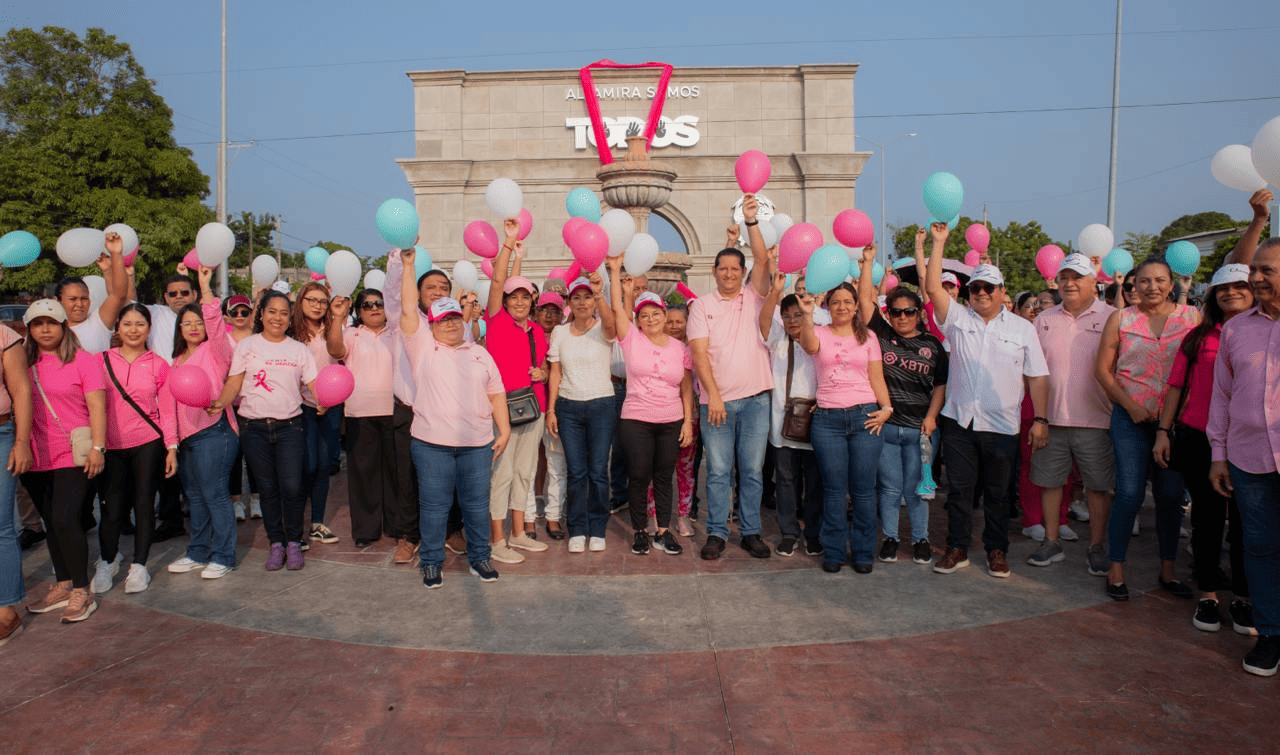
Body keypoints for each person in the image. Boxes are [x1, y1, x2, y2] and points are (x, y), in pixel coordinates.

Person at [923, 223, 1049, 578]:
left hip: (1002, 424)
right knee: (960, 492)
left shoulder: (1023, 329)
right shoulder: (958, 320)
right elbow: (933, 287)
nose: (980, 292)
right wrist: (939, 243)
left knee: (997, 495)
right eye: (975, 287)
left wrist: (1041, 420)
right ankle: (957, 547)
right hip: (960, 421)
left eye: (988, 287)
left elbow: (1037, 376)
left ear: (1001, 292)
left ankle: (996, 550)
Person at [399, 244, 509, 588]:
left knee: (477, 507)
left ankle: (480, 559)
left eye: (454, 319)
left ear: (463, 321)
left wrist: (503, 430)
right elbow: (405, 308)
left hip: (477, 445)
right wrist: (407, 266)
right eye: (442, 320)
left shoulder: (479, 353)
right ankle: (432, 562)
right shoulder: (423, 348)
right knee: (434, 508)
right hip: (432, 446)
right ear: (431, 324)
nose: (449, 325)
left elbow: (496, 392)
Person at [1154, 264, 1254, 634]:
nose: (1229, 293)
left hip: (1250, 442)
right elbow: (1176, 387)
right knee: (1207, 520)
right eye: (1221, 288)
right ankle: (1209, 594)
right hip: (1199, 438)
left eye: (1239, 285)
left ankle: (1243, 599)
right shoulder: (1198, 338)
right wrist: (1164, 431)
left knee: (1246, 523)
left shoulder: (1268, 334)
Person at [1094, 256, 1199, 601]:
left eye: (1159, 280)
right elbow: (1103, 372)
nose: (1152, 286)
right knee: (1129, 493)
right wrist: (1131, 406)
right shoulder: (1121, 319)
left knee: (1170, 496)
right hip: (1130, 417)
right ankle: (1116, 568)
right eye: (1144, 281)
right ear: (1133, 285)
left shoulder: (1191, 318)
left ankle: (1167, 569)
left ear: (1172, 284)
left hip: (1174, 422)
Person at [1209, 237, 1280, 677]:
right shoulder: (1237, 329)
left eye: (1266, 270)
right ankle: (1271, 633)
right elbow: (1222, 395)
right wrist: (1218, 454)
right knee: (1258, 546)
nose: (1254, 278)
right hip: (1248, 458)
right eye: (1254, 269)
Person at [688, 195, 774, 560]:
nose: (729, 274)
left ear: (742, 273)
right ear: (714, 272)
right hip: (717, 404)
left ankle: (751, 532)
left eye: (735, 269)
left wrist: (751, 224)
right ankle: (718, 533)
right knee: (719, 472)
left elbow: (763, 259)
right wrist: (714, 395)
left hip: (756, 400)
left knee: (752, 471)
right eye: (722, 268)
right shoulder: (701, 306)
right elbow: (698, 354)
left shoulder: (754, 297)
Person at [210, 289, 320, 572]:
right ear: (261, 314)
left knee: (293, 486)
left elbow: (313, 385)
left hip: (290, 427)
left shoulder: (299, 350)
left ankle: (294, 541)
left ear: (289, 318)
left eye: (284, 313)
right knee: (268, 488)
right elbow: (235, 382)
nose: (278, 318)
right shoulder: (247, 346)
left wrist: (323, 401)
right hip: (254, 427)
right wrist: (221, 401)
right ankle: (276, 543)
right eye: (272, 312)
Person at [796, 268, 893, 573]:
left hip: (865, 418)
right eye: (835, 302)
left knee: (864, 490)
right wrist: (808, 315)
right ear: (829, 306)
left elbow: (876, 376)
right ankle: (835, 551)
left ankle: (863, 552)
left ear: (854, 306)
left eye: (847, 302)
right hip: (828, 422)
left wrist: (887, 408)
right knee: (834, 490)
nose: (841, 306)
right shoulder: (819, 332)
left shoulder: (869, 336)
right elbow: (808, 346)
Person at [855, 248, 947, 566]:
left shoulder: (933, 346)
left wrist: (933, 417)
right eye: (896, 312)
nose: (903, 317)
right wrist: (867, 265)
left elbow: (940, 386)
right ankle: (891, 539)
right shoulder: (881, 334)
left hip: (921, 431)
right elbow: (865, 300)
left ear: (919, 312)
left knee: (918, 490)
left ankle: (921, 539)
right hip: (888, 428)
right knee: (891, 489)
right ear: (889, 313)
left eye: (909, 311)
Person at [1026, 254, 1116, 574]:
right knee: (1050, 482)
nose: (1069, 282)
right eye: (1064, 276)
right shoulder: (1044, 319)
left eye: (1077, 276)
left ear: (1094, 281)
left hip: (1097, 420)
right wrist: (1039, 418)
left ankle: (1096, 546)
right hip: (1050, 420)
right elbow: (1033, 371)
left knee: (1098, 486)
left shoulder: (1112, 317)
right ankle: (1051, 541)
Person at [20, 299, 108, 623]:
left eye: (51, 322)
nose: (45, 329)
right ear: (29, 329)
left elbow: (97, 406)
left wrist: (98, 447)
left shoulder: (83, 361)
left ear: (63, 326)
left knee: (66, 519)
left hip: (73, 452)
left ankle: (82, 590)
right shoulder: (21, 363)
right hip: (34, 454)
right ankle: (63, 582)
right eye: (38, 323)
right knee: (51, 523)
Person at [605, 259, 695, 557]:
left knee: (663, 475)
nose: (652, 319)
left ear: (664, 314)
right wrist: (616, 273)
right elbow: (619, 310)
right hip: (637, 420)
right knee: (640, 475)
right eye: (645, 315)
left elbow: (685, 386)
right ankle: (641, 531)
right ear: (639, 320)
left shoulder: (679, 347)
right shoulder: (631, 339)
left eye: (656, 313)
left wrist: (686, 422)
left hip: (671, 420)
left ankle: (663, 531)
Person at [93, 303, 177, 595]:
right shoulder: (100, 361)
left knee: (144, 505)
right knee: (112, 509)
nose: (133, 330)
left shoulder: (158, 364)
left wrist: (171, 447)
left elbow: (167, 410)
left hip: (147, 443)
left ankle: (139, 566)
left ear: (149, 329)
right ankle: (107, 560)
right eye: (127, 323)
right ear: (117, 327)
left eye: (140, 324)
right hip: (111, 446)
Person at [162, 267, 240, 580]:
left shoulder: (216, 351)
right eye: (186, 323)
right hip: (187, 440)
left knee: (215, 494)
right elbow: (167, 408)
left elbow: (216, 324)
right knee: (195, 497)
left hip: (214, 433)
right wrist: (171, 445)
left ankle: (224, 556)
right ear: (179, 329)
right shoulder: (175, 362)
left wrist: (204, 287)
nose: (193, 328)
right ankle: (198, 552)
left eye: (197, 323)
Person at [484, 221, 550, 563]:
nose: (520, 301)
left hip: (533, 408)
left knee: (525, 473)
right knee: (503, 474)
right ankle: (497, 540)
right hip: (503, 410)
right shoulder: (496, 321)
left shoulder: (538, 330)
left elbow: (545, 367)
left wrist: (544, 371)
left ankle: (518, 532)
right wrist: (509, 244)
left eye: (526, 296)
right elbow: (499, 281)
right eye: (515, 296)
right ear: (505, 301)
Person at [326, 289, 409, 558]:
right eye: (366, 305)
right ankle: (365, 530)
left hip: (394, 412)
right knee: (363, 474)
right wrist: (337, 319)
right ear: (358, 311)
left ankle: (396, 526)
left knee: (395, 473)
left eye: (379, 303)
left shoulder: (397, 332)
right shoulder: (350, 333)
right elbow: (335, 350)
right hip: (359, 413)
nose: (373, 308)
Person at [385, 251, 453, 556]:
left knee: (446, 477)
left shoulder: (455, 325)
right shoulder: (406, 319)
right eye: (431, 287)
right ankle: (409, 537)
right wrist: (403, 264)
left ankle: (453, 530)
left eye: (444, 288)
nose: (438, 292)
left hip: (444, 414)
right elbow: (396, 294)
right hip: (408, 411)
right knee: (407, 478)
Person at [546, 276, 616, 553]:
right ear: (569, 303)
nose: (583, 302)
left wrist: (601, 296)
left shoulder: (602, 328)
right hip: (568, 407)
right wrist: (551, 410)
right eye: (577, 298)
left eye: (587, 297)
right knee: (576, 471)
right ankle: (577, 527)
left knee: (598, 471)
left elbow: (613, 329)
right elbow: (555, 372)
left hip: (601, 405)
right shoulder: (560, 333)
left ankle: (597, 527)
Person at [759, 266, 822, 557]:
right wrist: (775, 291)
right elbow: (763, 322)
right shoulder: (777, 340)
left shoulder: (819, 336)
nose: (792, 321)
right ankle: (788, 532)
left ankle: (812, 533)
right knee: (785, 481)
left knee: (815, 482)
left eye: (798, 315)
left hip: (816, 421)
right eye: (787, 316)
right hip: (782, 423)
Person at [291, 281, 341, 547]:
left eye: (322, 301)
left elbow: (339, 359)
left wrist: (330, 400)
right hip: (300, 408)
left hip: (330, 407)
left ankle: (317, 523)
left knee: (323, 466)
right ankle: (295, 528)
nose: (317, 305)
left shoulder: (333, 329)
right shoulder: (290, 332)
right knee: (304, 467)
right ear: (301, 302)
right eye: (311, 300)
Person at [649, 301, 698, 537]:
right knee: (654, 469)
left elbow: (689, 387)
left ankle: (683, 516)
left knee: (685, 470)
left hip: (687, 416)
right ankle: (653, 515)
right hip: (657, 416)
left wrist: (689, 419)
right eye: (670, 321)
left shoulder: (691, 350)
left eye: (680, 322)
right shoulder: (651, 347)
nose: (675, 326)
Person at [0, 319, 33, 645]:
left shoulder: (4, 336)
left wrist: (21, 442)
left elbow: (21, 389)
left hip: (0, 435)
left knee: (1, 526)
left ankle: (6, 610)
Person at [527, 290, 567, 539]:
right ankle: (529, 518)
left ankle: (554, 516)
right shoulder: (527, 333)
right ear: (536, 312)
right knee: (528, 466)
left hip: (558, 407)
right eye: (544, 310)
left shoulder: (566, 335)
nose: (549, 315)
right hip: (530, 407)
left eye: (555, 311)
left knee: (556, 464)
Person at [56, 233, 127, 355]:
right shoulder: (50, 330)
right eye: (72, 299)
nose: (79, 304)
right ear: (59, 300)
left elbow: (118, 295)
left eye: (84, 298)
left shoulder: (98, 323)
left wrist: (116, 255)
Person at [223, 294, 259, 521]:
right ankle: (236, 501)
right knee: (233, 455)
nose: (239, 316)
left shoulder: (259, 339)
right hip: (230, 406)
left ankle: (256, 498)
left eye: (244, 312)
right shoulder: (223, 340)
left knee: (255, 453)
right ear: (227, 314)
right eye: (234, 312)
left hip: (254, 403)